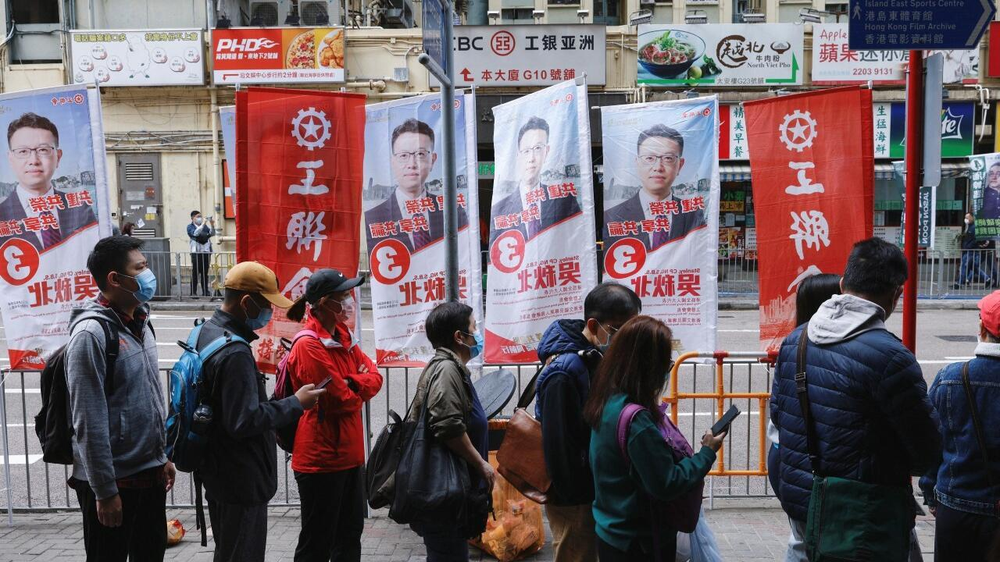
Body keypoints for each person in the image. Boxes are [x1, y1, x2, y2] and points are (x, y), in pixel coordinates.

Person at [770, 238, 942, 562]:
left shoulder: (796, 340)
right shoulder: (892, 357)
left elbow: (780, 417)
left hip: (803, 501)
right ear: (896, 295)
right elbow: (926, 451)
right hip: (862, 515)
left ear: (842, 283)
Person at [198, 261, 325, 562]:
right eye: (266, 303)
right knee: (242, 553)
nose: (270, 310)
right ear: (246, 302)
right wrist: (296, 402)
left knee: (229, 550)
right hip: (240, 478)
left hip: (218, 471)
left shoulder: (207, 331)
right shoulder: (235, 352)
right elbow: (244, 420)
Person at [65, 235, 173, 561]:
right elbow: (88, 419)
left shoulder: (141, 320)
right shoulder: (91, 335)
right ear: (115, 279)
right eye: (140, 268)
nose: (148, 273)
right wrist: (105, 490)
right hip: (114, 484)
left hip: (149, 474)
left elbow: (149, 397)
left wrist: (162, 456)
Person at [583, 315, 724, 561]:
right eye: (666, 363)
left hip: (610, 532)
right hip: (639, 542)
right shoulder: (637, 421)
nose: (667, 371)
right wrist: (706, 453)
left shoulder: (607, 400)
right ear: (649, 366)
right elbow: (666, 483)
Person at [535, 282, 642, 562]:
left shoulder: (594, 356)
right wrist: (579, 498)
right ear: (594, 325)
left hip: (592, 487)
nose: (627, 339)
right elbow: (559, 446)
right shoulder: (564, 371)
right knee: (576, 554)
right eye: (620, 331)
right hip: (574, 496)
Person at [284, 269, 384, 562]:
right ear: (326, 303)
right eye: (344, 297)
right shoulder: (308, 344)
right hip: (321, 459)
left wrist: (352, 381)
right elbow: (338, 400)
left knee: (350, 536)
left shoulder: (344, 337)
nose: (350, 302)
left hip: (350, 456)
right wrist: (356, 382)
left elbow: (374, 377)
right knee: (317, 543)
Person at [405, 302, 495, 561]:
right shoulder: (446, 370)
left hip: (453, 491)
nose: (478, 334)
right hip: (444, 493)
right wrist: (482, 465)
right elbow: (448, 426)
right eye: (474, 328)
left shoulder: (452, 367)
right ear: (459, 337)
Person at [919, 290, 1000, 562]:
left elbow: (931, 442)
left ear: (981, 327)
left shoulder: (953, 377)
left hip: (958, 503)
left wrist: (930, 492)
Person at [767, 272, 841, 561]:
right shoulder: (830, 348)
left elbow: (777, 409)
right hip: (809, 462)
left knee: (801, 537)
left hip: (785, 454)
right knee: (813, 540)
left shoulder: (793, 343)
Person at [365, 118, 468, 253]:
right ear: (393, 162)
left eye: (420, 154)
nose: (412, 164)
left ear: (433, 160)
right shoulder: (374, 217)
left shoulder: (454, 211)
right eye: (403, 155)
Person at [0, 112, 97, 251]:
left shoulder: (81, 209)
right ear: (11, 159)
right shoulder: (2, 214)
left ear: (58, 156)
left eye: (43, 150)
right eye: (23, 152)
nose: (34, 160)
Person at [603, 124, 707, 252]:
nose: (658, 167)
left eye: (668, 158)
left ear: (680, 165)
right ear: (637, 163)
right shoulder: (613, 216)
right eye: (649, 158)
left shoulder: (694, 215)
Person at [489, 117, 582, 245]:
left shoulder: (566, 201)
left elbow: (578, 242)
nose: (531, 158)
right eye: (526, 151)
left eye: (538, 148)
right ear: (518, 155)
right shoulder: (500, 210)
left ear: (547, 151)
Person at [955, 213, 993, 289]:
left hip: (971, 251)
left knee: (964, 266)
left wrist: (968, 247)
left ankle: (959, 283)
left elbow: (975, 240)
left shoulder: (974, 228)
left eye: (968, 217)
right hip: (969, 250)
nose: (966, 219)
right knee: (973, 267)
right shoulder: (969, 227)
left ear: (972, 217)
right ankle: (987, 279)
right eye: (965, 217)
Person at [187, 210, 215, 297]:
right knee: (195, 273)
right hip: (196, 253)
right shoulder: (190, 227)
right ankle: (193, 292)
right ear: (193, 218)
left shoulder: (205, 226)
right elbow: (195, 233)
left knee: (204, 273)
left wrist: (212, 224)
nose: (200, 218)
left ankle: (205, 291)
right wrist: (203, 224)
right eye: (198, 216)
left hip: (206, 252)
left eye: (200, 216)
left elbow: (212, 234)